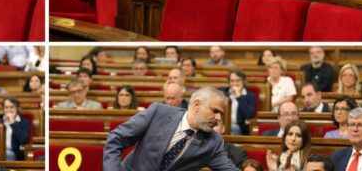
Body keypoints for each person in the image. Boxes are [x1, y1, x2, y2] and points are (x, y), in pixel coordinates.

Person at [103, 87, 239, 170]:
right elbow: (116, 139)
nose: (218, 118)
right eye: (215, 111)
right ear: (197, 105)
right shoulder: (158, 112)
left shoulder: (213, 142)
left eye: (221, 113)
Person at [223, 70, 256, 135]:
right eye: (232, 81)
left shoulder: (250, 96)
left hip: (239, 126)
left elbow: (248, 115)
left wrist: (239, 96)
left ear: (243, 81)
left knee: (232, 128)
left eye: (237, 80)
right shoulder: (223, 93)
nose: (234, 83)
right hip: (223, 123)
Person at [0, 97, 30, 161]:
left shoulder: (24, 123)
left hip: (14, 153)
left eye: (11, 107)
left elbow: (23, 140)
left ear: (17, 108)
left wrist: (13, 123)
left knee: (8, 154)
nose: (9, 110)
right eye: (6, 107)